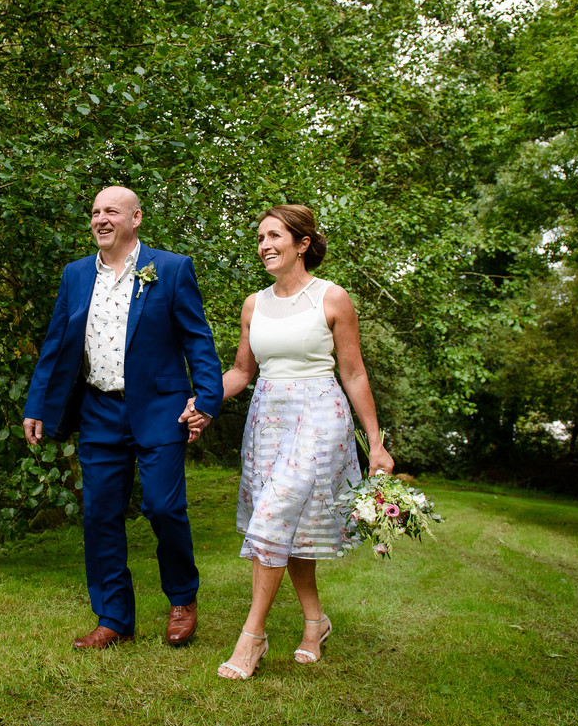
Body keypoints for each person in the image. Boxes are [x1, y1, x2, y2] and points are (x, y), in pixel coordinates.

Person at [185, 204, 393, 679]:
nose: (264, 245)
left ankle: (251, 638)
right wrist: (203, 402)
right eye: (260, 237)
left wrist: (376, 443)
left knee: (274, 515)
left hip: (319, 417)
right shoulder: (254, 303)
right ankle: (315, 622)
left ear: (302, 244)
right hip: (267, 422)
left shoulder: (332, 298)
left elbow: (354, 372)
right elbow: (241, 371)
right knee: (291, 531)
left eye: (275, 236)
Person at [23, 185, 224, 650]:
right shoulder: (75, 275)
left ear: (136, 218)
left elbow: (198, 340)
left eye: (111, 210)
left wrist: (207, 400)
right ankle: (113, 617)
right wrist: (37, 404)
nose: (100, 219)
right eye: (94, 211)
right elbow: (55, 345)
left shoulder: (170, 269)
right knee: (99, 515)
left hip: (160, 410)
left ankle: (182, 598)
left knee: (162, 506)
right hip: (98, 411)